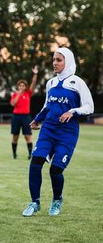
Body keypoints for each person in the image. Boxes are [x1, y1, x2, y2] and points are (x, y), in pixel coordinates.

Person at [22, 48, 94, 217]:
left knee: (55, 170)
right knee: (35, 162)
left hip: (67, 134)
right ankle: (35, 202)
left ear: (68, 61)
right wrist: (37, 119)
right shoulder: (51, 83)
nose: (55, 63)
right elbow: (47, 106)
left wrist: (72, 111)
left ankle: (57, 200)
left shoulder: (78, 83)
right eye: (54, 59)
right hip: (48, 130)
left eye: (59, 60)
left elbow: (89, 106)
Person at [10, 66, 38, 159]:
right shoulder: (15, 94)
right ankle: (14, 154)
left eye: (23, 86)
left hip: (26, 117)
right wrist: (18, 94)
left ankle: (30, 154)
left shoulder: (28, 94)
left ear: (26, 87)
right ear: (18, 86)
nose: (22, 87)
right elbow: (13, 103)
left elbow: (33, 83)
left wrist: (35, 74)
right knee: (15, 136)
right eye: (20, 86)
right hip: (16, 117)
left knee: (27, 136)